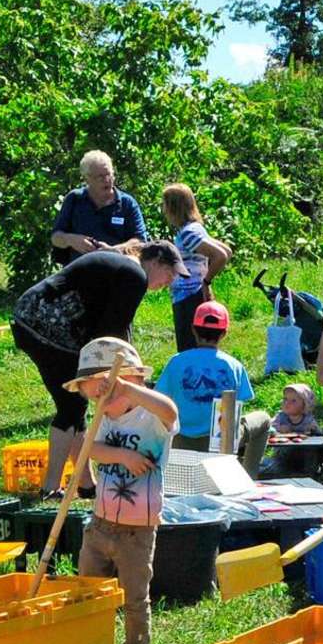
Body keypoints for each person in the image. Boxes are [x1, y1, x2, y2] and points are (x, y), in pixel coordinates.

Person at [11, 241, 182, 495]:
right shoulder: (135, 275)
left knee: (74, 406)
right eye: (169, 274)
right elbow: (111, 335)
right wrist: (131, 376)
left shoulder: (124, 268)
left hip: (31, 319)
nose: (168, 283)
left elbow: (116, 329)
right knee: (71, 406)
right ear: (156, 261)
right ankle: (51, 488)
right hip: (47, 326)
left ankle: (86, 484)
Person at [73, 340, 177, 644]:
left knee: (134, 594)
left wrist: (126, 389)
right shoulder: (104, 417)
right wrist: (121, 455)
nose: (101, 405)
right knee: (90, 588)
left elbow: (170, 411)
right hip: (100, 523)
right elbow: (89, 449)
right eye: (95, 399)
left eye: (107, 396)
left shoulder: (152, 418)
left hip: (138, 529)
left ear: (134, 383)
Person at [154, 300, 263, 470]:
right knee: (263, 419)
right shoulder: (234, 366)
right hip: (220, 442)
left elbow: (160, 397)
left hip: (180, 440)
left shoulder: (176, 362)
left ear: (193, 329)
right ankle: (249, 475)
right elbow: (242, 401)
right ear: (224, 333)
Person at [161, 184, 233, 352]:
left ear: (173, 207)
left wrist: (206, 282)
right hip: (193, 296)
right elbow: (227, 251)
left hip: (189, 298)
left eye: (165, 204)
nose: (163, 210)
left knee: (188, 349)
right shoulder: (195, 228)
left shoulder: (188, 233)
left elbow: (221, 255)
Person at [50, 150, 146, 266]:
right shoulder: (74, 199)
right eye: (100, 177)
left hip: (116, 271)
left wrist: (114, 250)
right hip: (78, 271)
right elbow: (55, 237)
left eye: (109, 174)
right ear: (87, 179)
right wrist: (71, 239)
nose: (106, 180)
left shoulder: (127, 203)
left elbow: (140, 242)